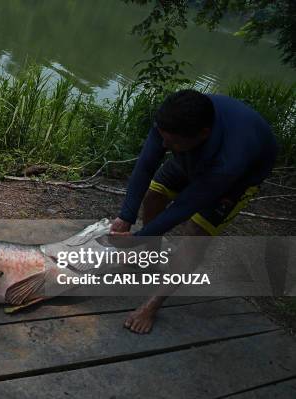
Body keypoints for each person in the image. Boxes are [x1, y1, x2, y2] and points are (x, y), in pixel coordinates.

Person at [110, 89, 277, 334]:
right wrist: (126, 216)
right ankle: (150, 257)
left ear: (202, 134)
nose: (164, 145)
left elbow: (184, 207)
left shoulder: (230, 161)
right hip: (191, 154)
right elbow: (146, 166)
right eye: (162, 137)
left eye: (171, 142)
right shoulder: (173, 123)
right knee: (154, 195)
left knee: (196, 231)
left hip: (239, 178)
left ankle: (152, 305)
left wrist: (137, 238)